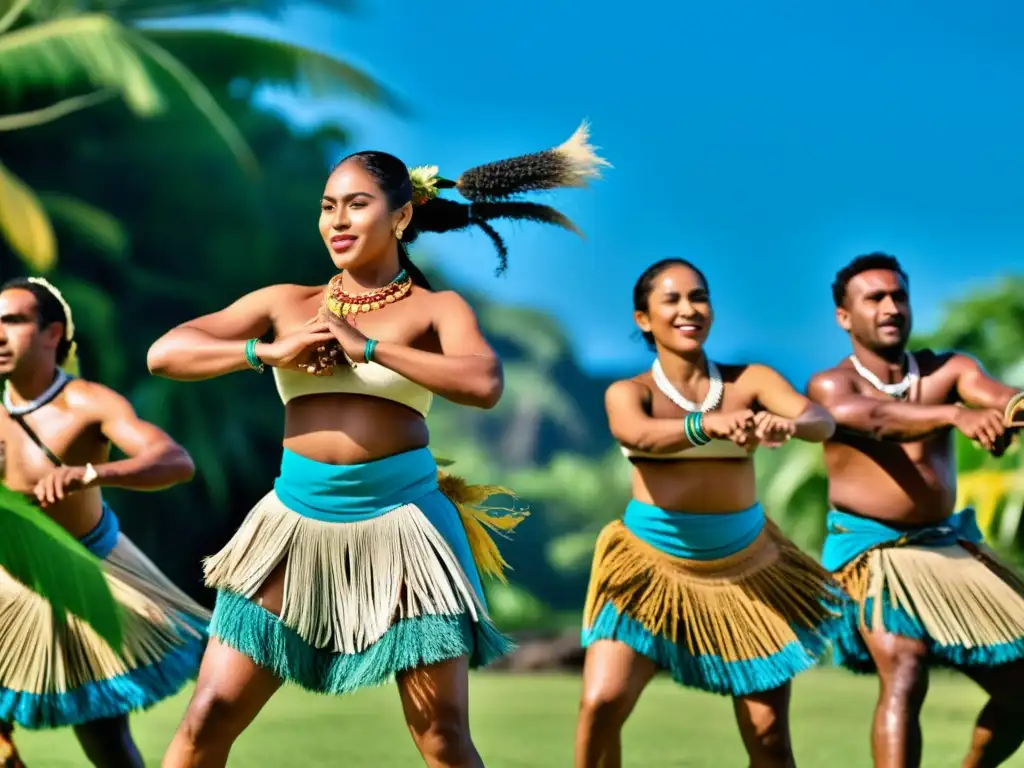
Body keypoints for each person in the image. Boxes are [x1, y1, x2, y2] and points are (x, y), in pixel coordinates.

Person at [147, 123, 608, 768]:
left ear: (402, 215)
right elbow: (165, 353)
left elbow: (483, 382)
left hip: (406, 528)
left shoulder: (435, 311)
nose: (337, 219)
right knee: (207, 717)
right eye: (327, 206)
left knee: (441, 735)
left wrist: (367, 347)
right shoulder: (287, 303)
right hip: (290, 524)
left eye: (357, 204)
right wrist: (266, 350)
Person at [575, 258, 840, 768]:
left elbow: (819, 419)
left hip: (746, 567)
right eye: (671, 300)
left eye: (699, 296)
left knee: (767, 734)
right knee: (601, 702)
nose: (689, 309)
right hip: (647, 565)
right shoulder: (632, 392)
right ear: (643, 320)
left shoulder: (751, 381)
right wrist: (711, 425)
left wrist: (787, 425)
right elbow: (639, 435)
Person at [807, 252, 1024, 768]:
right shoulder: (831, 386)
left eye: (898, 295)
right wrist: (954, 415)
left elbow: (994, 394)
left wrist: (1013, 408)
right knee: (904, 666)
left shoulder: (948, 369)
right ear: (844, 316)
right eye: (874, 298)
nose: (890, 306)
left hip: (946, 545)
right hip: (872, 550)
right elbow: (878, 419)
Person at [0, 277, 210, 768]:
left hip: (81, 578)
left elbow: (174, 460)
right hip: (8, 578)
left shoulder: (88, 404)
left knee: (104, 741)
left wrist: (90, 472)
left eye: (12, 321)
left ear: (53, 334)